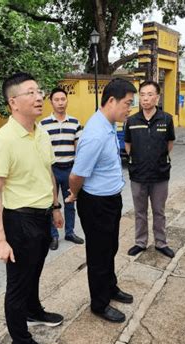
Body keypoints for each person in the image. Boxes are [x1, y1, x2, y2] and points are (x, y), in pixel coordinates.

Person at [0, 72, 64, 344]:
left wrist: (55, 207)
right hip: (19, 219)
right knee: (17, 284)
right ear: (13, 102)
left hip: (43, 215)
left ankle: (34, 309)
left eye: (38, 90)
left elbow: (49, 172)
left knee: (35, 270)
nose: (39, 96)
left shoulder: (41, 132)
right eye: (30, 92)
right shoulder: (3, 140)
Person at [66, 78, 136, 323]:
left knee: (110, 248)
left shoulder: (109, 125)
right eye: (128, 103)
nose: (130, 108)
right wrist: (74, 194)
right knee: (98, 254)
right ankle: (99, 303)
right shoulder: (95, 134)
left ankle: (110, 287)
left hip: (111, 200)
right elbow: (76, 174)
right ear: (111, 101)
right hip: (96, 204)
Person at [124, 81, 176, 258]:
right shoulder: (131, 121)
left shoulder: (166, 119)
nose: (145, 98)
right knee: (140, 212)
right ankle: (141, 242)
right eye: (143, 94)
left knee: (159, 211)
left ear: (157, 97)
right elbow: (128, 144)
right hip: (138, 175)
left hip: (160, 175)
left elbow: (170, 144)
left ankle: (161, 243)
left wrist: (157, 159)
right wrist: (137, 162)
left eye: (150, 94)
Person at [39, 88, 84, 251]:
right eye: (56, 100)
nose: (60, 103)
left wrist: (77, 170)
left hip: (69, 168)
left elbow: (78, 148)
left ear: (67, 101)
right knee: (52, 202)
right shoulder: (43, 125)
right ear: (51, 102)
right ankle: (53, 235)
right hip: (52, 169)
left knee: (70, 202)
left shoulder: (75, 123)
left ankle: (70, 232)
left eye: (63, 99)